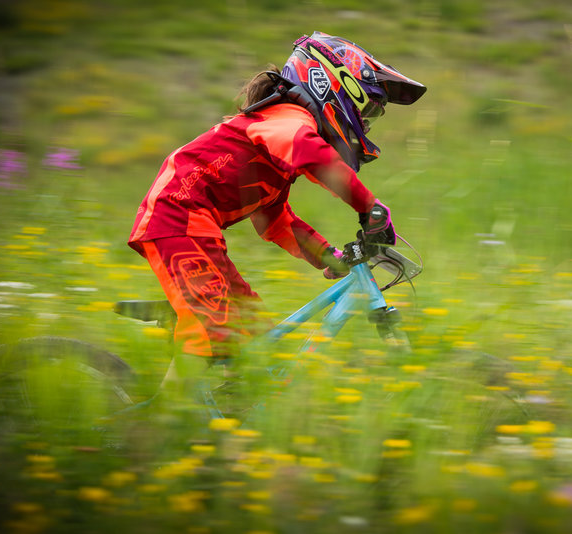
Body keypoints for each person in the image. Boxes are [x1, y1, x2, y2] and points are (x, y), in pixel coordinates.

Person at [127, 32, 426, 405]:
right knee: (211, 328)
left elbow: (275, 220)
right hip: (176, 219)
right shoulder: (284, 119)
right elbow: (307, 151)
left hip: (199, 231)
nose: (365, 125)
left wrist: (328, 256)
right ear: (332, 85)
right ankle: (158, 430)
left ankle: (225, 420)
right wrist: (369, 207)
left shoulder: (276, 156)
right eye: (366, 112)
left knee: (257, 339)